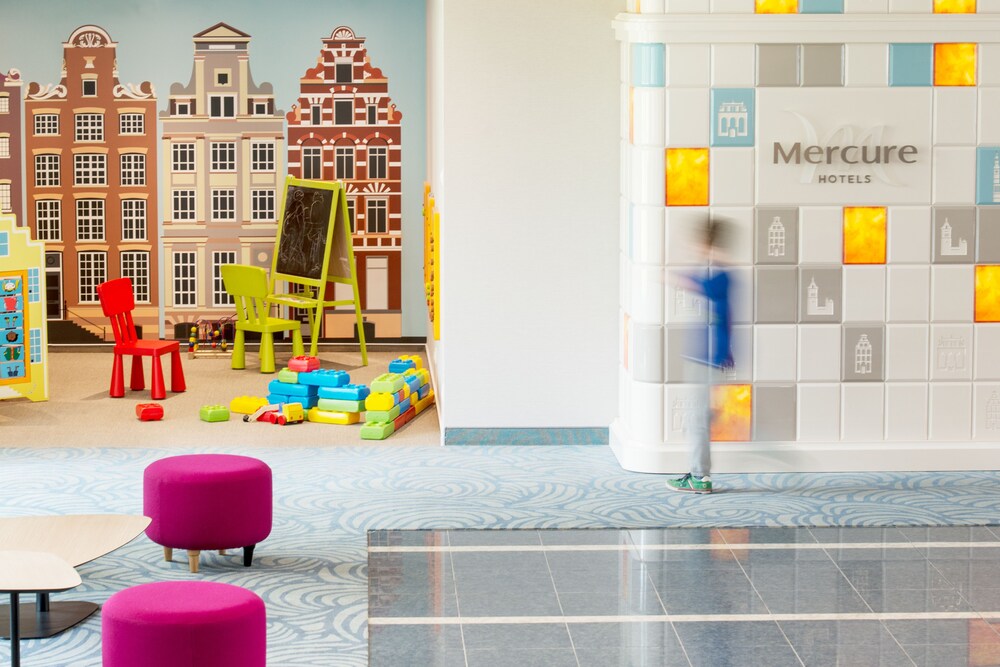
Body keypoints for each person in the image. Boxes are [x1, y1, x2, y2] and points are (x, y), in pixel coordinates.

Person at [666, 217, 734, 494]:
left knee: (697, 419)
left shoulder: (718, 272)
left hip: (706, 357)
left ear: (706, 242)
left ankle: (699, 476)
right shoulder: (716, 270)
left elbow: (707, 289)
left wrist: (672, 277)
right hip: (706, 355)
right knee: (698, 417)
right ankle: (698, 471)